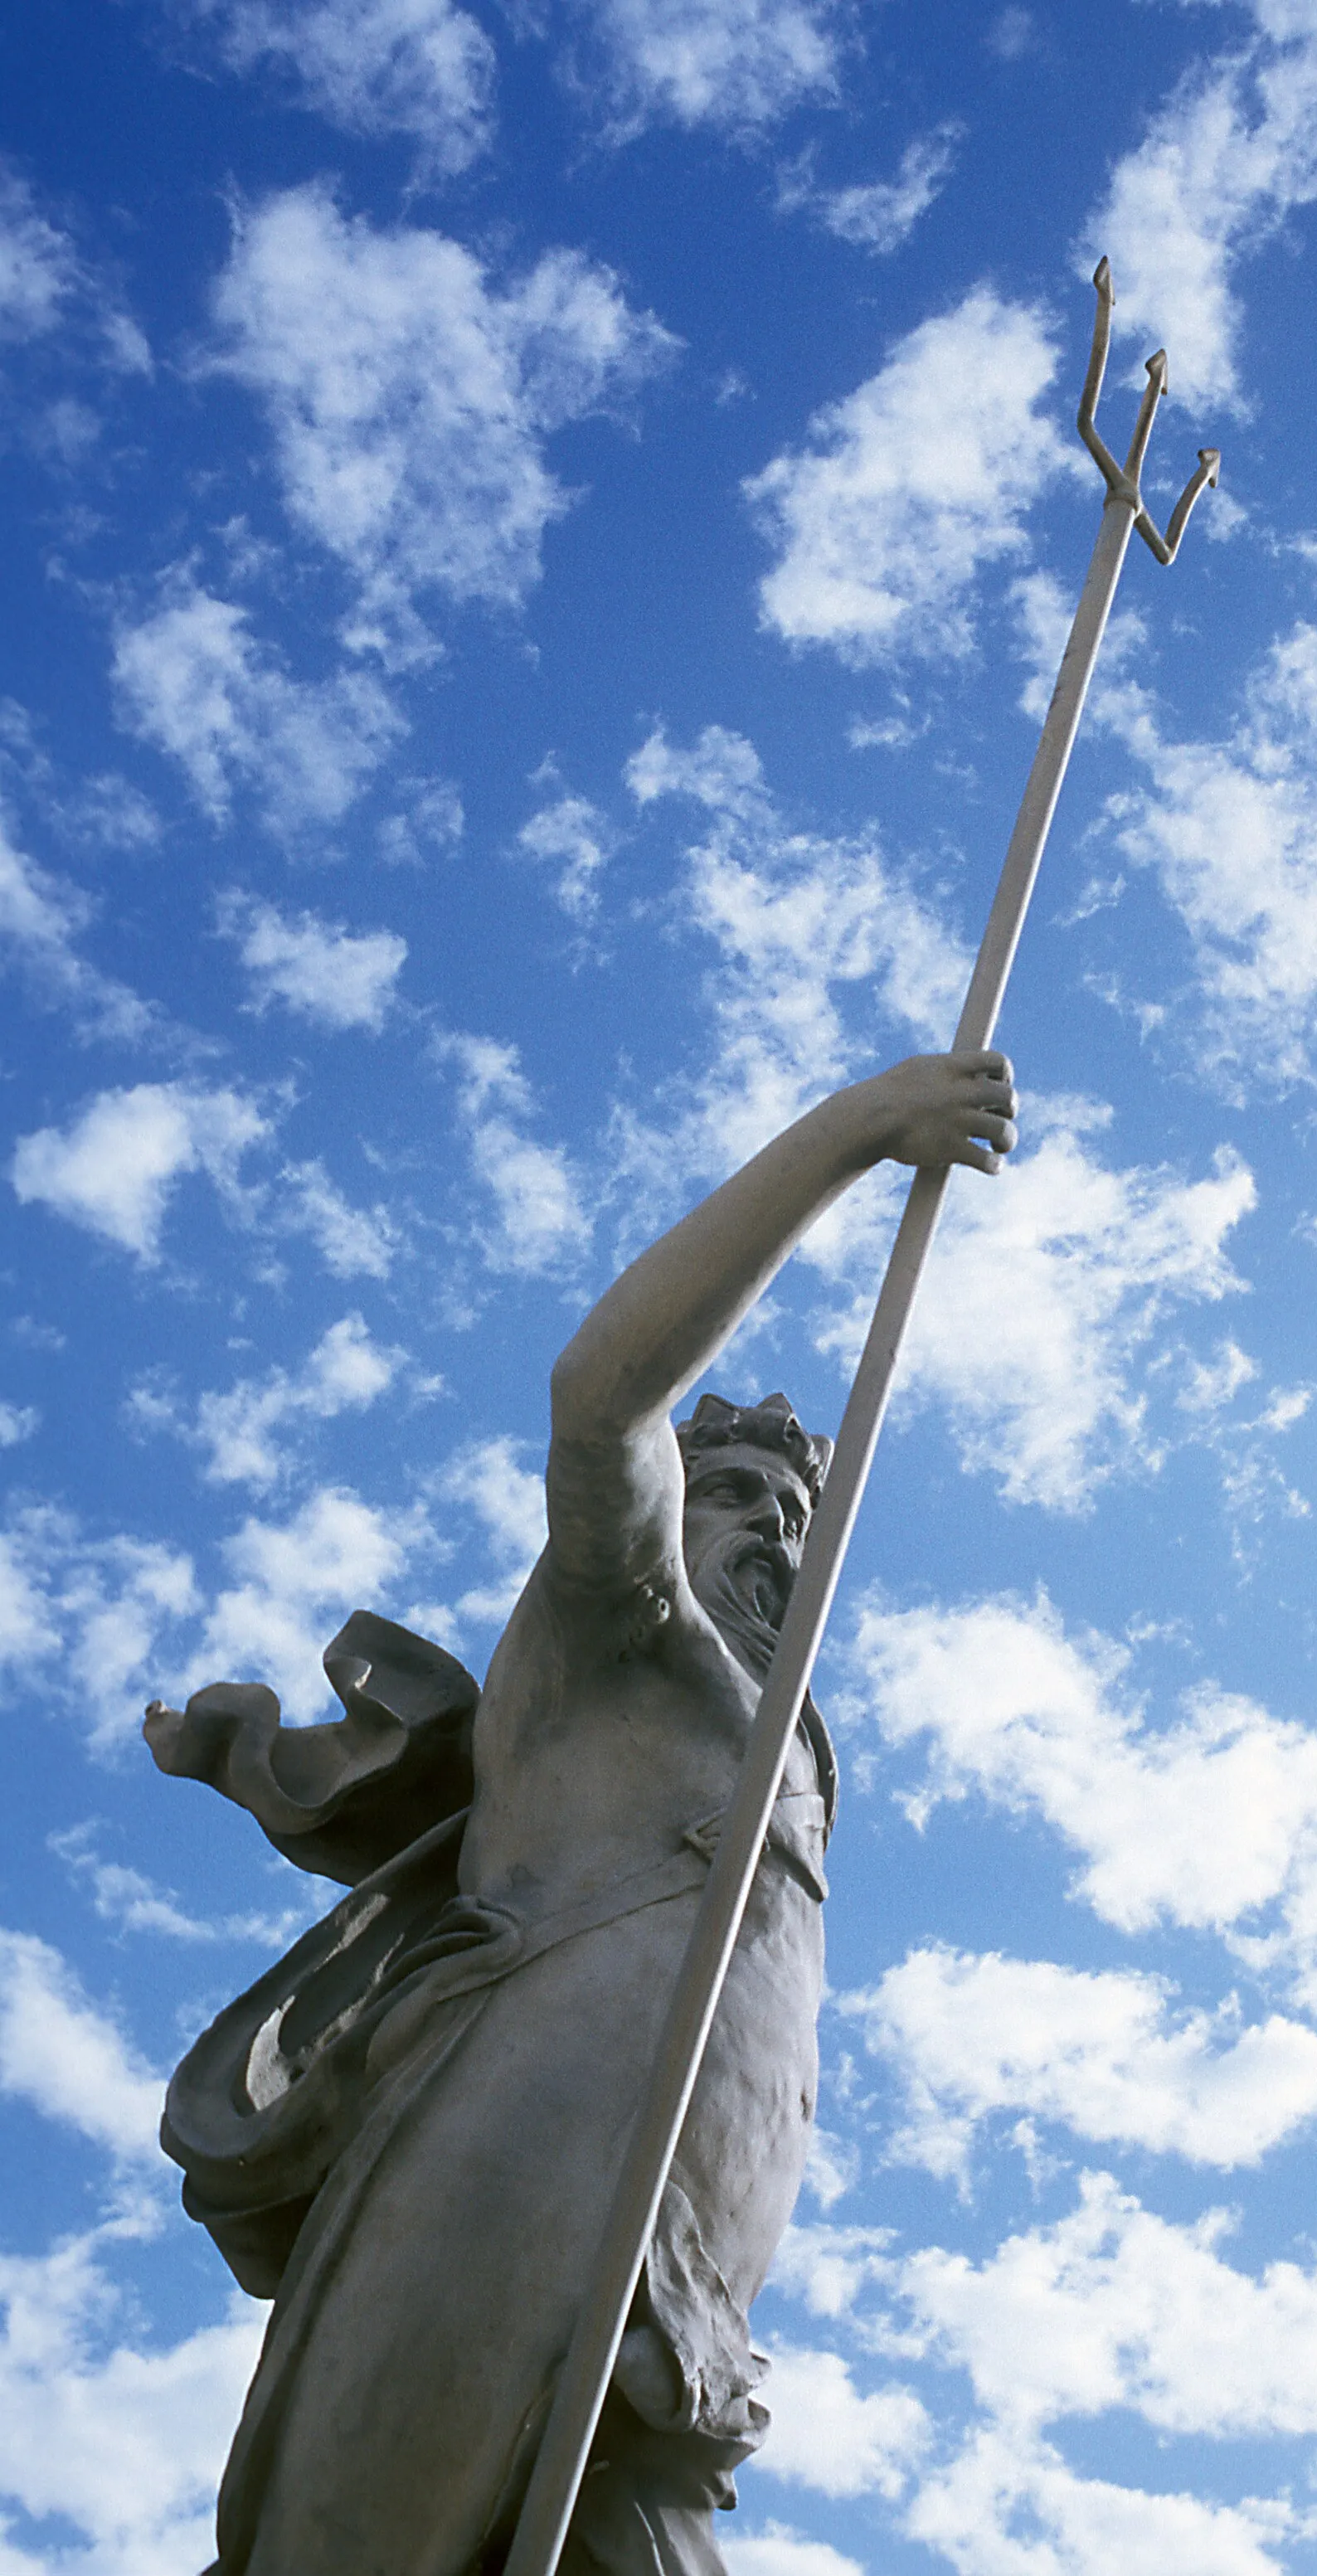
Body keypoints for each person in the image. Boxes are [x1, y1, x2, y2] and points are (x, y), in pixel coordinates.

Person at [146, 1048, 1018, 2576]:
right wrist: (863, 1129)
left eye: (799, 1522)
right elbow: (601, 1393)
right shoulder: (628, 1623)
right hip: (502, 2176)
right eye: (747, 1495)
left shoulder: (784, 1742)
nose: (778, 1535)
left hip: (674, 2311)